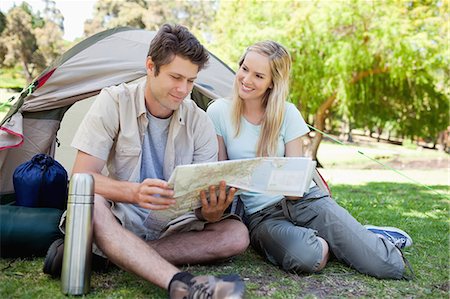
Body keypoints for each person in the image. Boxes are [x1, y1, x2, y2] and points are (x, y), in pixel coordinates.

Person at [44, 24, 249, 298]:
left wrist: (209, 212)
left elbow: (201, 208)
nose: (183, 89)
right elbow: (82, 176)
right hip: (120, 217)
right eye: (176, 77)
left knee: (236, 234)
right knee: (91, 201)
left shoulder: (199, 120)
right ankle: (182, 285)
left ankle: (109, 257)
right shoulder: (114, 102)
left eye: (190, 81)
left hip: (173, 225)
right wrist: (134, 193)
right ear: (151, 66)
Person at [206, 40, 413, 279]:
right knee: (307, 257)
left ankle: (369, 239)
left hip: (305, 202)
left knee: (387, 267)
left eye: (259, 75)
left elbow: (295, 187)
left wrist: (286, 182)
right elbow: (222, 173)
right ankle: (344, 240)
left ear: (273, 82)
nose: (246, 79)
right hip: (263, 216)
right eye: (244, 68)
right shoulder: (218, 111)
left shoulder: (288, 113)